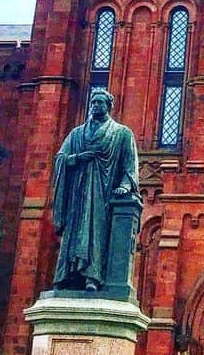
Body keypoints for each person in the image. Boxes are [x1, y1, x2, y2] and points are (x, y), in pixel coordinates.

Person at [51, 89, 139, 291]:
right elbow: (60, 158)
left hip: (103, 194)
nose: (96, 106)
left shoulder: (121, 133)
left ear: (109, 106)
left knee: (97, 233)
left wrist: (125, 185)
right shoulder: (77, 134)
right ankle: (70, 275)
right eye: (93, 102)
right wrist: (76, 158)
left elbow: (130, 165)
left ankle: (93, 276)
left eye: (100, 102)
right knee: (74, 232)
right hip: (78, 193)